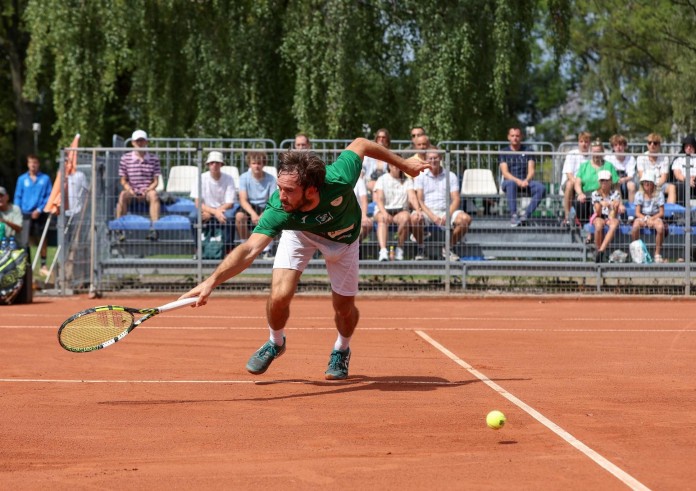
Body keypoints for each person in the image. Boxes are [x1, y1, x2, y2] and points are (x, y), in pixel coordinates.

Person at [179, 138, 430, 380]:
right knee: (278, 295)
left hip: (343, 241)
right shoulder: (280, 207)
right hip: (300, 235)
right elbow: (249, 249)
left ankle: (341, 349)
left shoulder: (339, 178)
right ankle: (275, 342)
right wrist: (211, 281)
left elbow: (361, 143)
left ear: (311, 190)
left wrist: (404, 165)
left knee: (343, 309)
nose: (280, 194)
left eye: (288, 190)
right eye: (279, 187)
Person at [410, 149, 471, 261]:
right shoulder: (420, 175)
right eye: (430, 158)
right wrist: (433, 217)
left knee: (465, 219)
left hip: (445, 210)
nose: (433, 160)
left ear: (441, 158)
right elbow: (420, 200)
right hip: (427, 211)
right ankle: (421, 248)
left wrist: (447, 214)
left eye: (435, 158)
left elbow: (456, 199)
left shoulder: (451, 175)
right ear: (425, 160)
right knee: (414, 218)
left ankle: (448, 249)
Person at [116, 130, 162, 240]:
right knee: (122, 195)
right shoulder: (125, 158)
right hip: (131, 191)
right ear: (132, 142)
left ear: (146, 142)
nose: (140, 143)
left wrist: (146, 190)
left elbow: (155, 181)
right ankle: (119, 229)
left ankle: (154, 229)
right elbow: (123, 180)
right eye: (137, 141)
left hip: (147, 190)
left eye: (142, 141)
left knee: (154, 195)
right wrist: (131, 190)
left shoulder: (154, 159)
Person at [191, 151, 237, 253]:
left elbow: (230, 203)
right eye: (212, 163)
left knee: (230, 217)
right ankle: (198, 248)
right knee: (193, 217)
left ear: (221, 164)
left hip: (222, 210)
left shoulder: (229, 179)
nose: (214, 165)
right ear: (208, 165)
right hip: (208, 209)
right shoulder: (201, 178)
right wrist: (215, 212)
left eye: (217, 162)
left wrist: (215, 212)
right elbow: (198, 203)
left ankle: (228, 248)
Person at [499, 127, 546, 227]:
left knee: (541, 188)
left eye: (517, 136)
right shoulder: (503, 152)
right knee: (511, 183)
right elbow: (505, 173)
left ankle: (525, 215)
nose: (515, 138)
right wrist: (518, 181)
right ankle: (513, 215)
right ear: (508, 137)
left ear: (521, 137)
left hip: (525, 182)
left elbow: (531, 170)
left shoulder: (529, 151)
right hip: (509, 182)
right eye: (512, 136)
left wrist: (526, 180)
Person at [14, 154, 52, 274]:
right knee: (25, 240)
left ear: (38, 164)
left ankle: (43, 264)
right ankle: (27, 264)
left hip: (40, 214)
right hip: (24, 213)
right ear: (28, 164)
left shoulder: (45, 179)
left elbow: (48, 196)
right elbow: (18, 196)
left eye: (35, 162)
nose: (33, 165)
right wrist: (17, 212)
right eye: (31, 163)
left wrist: (40, 209)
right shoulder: (22, 179)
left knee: (42, 238)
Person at [235, 151, 277, 258]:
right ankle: (246, 246)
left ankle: (267, 249)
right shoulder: (244, 177)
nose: (256, 166)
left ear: (263, 164)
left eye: (259, 163)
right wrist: (253, 214)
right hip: (250, 206)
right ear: (249, 164)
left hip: (265, 206)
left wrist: (264, 213)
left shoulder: (271, 179)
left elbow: (272, 200)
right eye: (254, 163)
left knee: (273, 217)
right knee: (239, 217)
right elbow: (243, 200)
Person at [373, 163, 417, 261]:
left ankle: (399, 249)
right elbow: (379, 199)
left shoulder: (407, 180)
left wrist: (418, 210)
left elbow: (413, 197)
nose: (396, 167)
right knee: (382, 219)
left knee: (406, 218)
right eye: (393, 164)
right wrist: (384, 213)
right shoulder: (382, 179)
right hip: (383, 210)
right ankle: (383, 251)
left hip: (400, 211)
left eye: (398, 164)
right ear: (389, 166)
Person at [573, 140, 620, 223]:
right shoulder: (584, 166)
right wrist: (580, 193)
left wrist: (619, 200)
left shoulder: (609, 166)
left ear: (602, 152)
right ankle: (584, 226)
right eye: (594, 152)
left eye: (598, 152)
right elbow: (577, 183)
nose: (596, 154)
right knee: (579, 203)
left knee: (595, 206)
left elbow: (616, 185)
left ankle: (593, 228)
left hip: (603, 194)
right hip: (586, 194)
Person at [632, 171, 666, 263]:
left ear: (653, 183)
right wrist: (646, 219)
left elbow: (661, 212)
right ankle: (638, 252)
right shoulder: (639, 194)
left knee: (660, 227)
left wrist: (652, 219)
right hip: (642, 216)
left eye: (648, 181)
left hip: (655, 216)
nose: (646, 183)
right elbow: (637, 212)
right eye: (644, 181)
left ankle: (657, 253)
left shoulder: (659, 194)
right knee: (635, 227)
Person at [591, 170, 625, 263]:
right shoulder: (595, 194)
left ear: (610, 181)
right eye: (602, 180)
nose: (604, 183)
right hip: (600, 216)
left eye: (606, 180)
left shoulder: (616, 194)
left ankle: (600, 251)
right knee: (598, 225)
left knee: (613, 224)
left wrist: (615, 205)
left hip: (611, 217)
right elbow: (598, 213)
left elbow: (613, 215)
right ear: (599, 181)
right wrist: (601, 205)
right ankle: (600, 252)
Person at [560, 132, 591, 226]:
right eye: (581, 141)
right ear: (578, 142)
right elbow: (569, 174)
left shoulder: (592, 155)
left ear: (589, 143)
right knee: (570, 184)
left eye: (586, 141)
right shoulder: (572, 154)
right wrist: (579, 189)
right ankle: (567, 216)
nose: (584, 144)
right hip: (573, 183)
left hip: (586, 184)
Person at [636, 133, 676, 204]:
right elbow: (642, 176)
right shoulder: (640, 157)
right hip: (645, 184)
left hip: (659, 184)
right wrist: (650, 186)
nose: (652, 145)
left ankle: (670, 214)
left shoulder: (665, 158)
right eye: (649, 142)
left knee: (672, 187)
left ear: (659, 145)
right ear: (647, 145)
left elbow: (664, 178)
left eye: (655, 143)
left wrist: (655, 186)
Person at [606, 134, 637, 202]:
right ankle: (619, 207)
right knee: (616, 184)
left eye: (620, 145)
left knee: (631, 186)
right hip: (613, 181)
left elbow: (630, 175)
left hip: (626, 181)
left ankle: (631, 209)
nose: (618, 147)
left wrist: (623, 180)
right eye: (616, 145)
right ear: (613, 147)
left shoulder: (630, 158)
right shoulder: (608, 158)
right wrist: (616, 180)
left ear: (624, 146)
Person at [362, 128, 391, 193]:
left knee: (378, 186)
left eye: (384, 137)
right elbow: (362, 170)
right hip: (369, 182)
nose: (381, 139)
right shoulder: (368, 156)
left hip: (385, 183)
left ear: (387, 140)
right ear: (376, 139)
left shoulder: (391, 156)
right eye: (379, 137)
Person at [671, 134, 696, 207]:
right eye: (687, 146)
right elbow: (677, 173)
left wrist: (693, 178)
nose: (688, 148)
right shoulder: (679, 159)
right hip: (683, 181)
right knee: (680, 185)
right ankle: (681, 213)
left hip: (694, 180)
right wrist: (687, 180)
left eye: (691, 146)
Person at [353, 175, 373, 242]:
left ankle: (354, 246)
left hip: (356, 217)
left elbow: (364, 200)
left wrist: (364, 216)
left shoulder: (359, 181)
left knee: (367, 224)